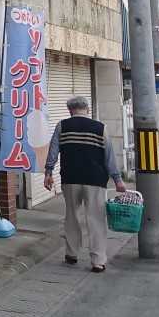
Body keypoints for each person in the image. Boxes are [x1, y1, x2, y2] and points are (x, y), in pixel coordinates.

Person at [43, 95, 126, 272]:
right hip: (95, 180)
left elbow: (53, 151)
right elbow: (109, 157)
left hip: (70, 178)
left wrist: (48, 172)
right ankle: (98, 260)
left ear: (69, 110)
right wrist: (117, 180)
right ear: (87, 109)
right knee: (96, 218)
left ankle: (71, 254)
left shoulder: (62, 126)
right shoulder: (100, 128)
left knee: (71, 216)